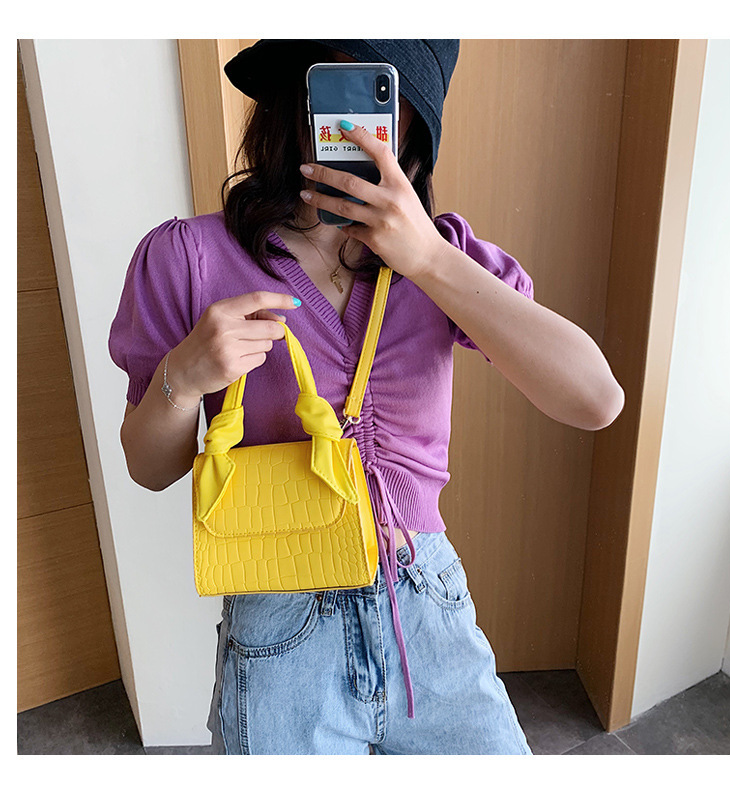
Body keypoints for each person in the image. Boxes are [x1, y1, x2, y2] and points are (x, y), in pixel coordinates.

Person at [109, 39, 624, 755]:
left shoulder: (447, 258)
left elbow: (596, 399)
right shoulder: (188, 257)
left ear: (417, 123)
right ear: (292, 92)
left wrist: (431, 258)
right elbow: (148, 467)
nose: (350, 120)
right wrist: (184, 377)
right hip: (281, 628)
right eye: (331, 80)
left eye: (380, 89)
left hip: (429, 618)